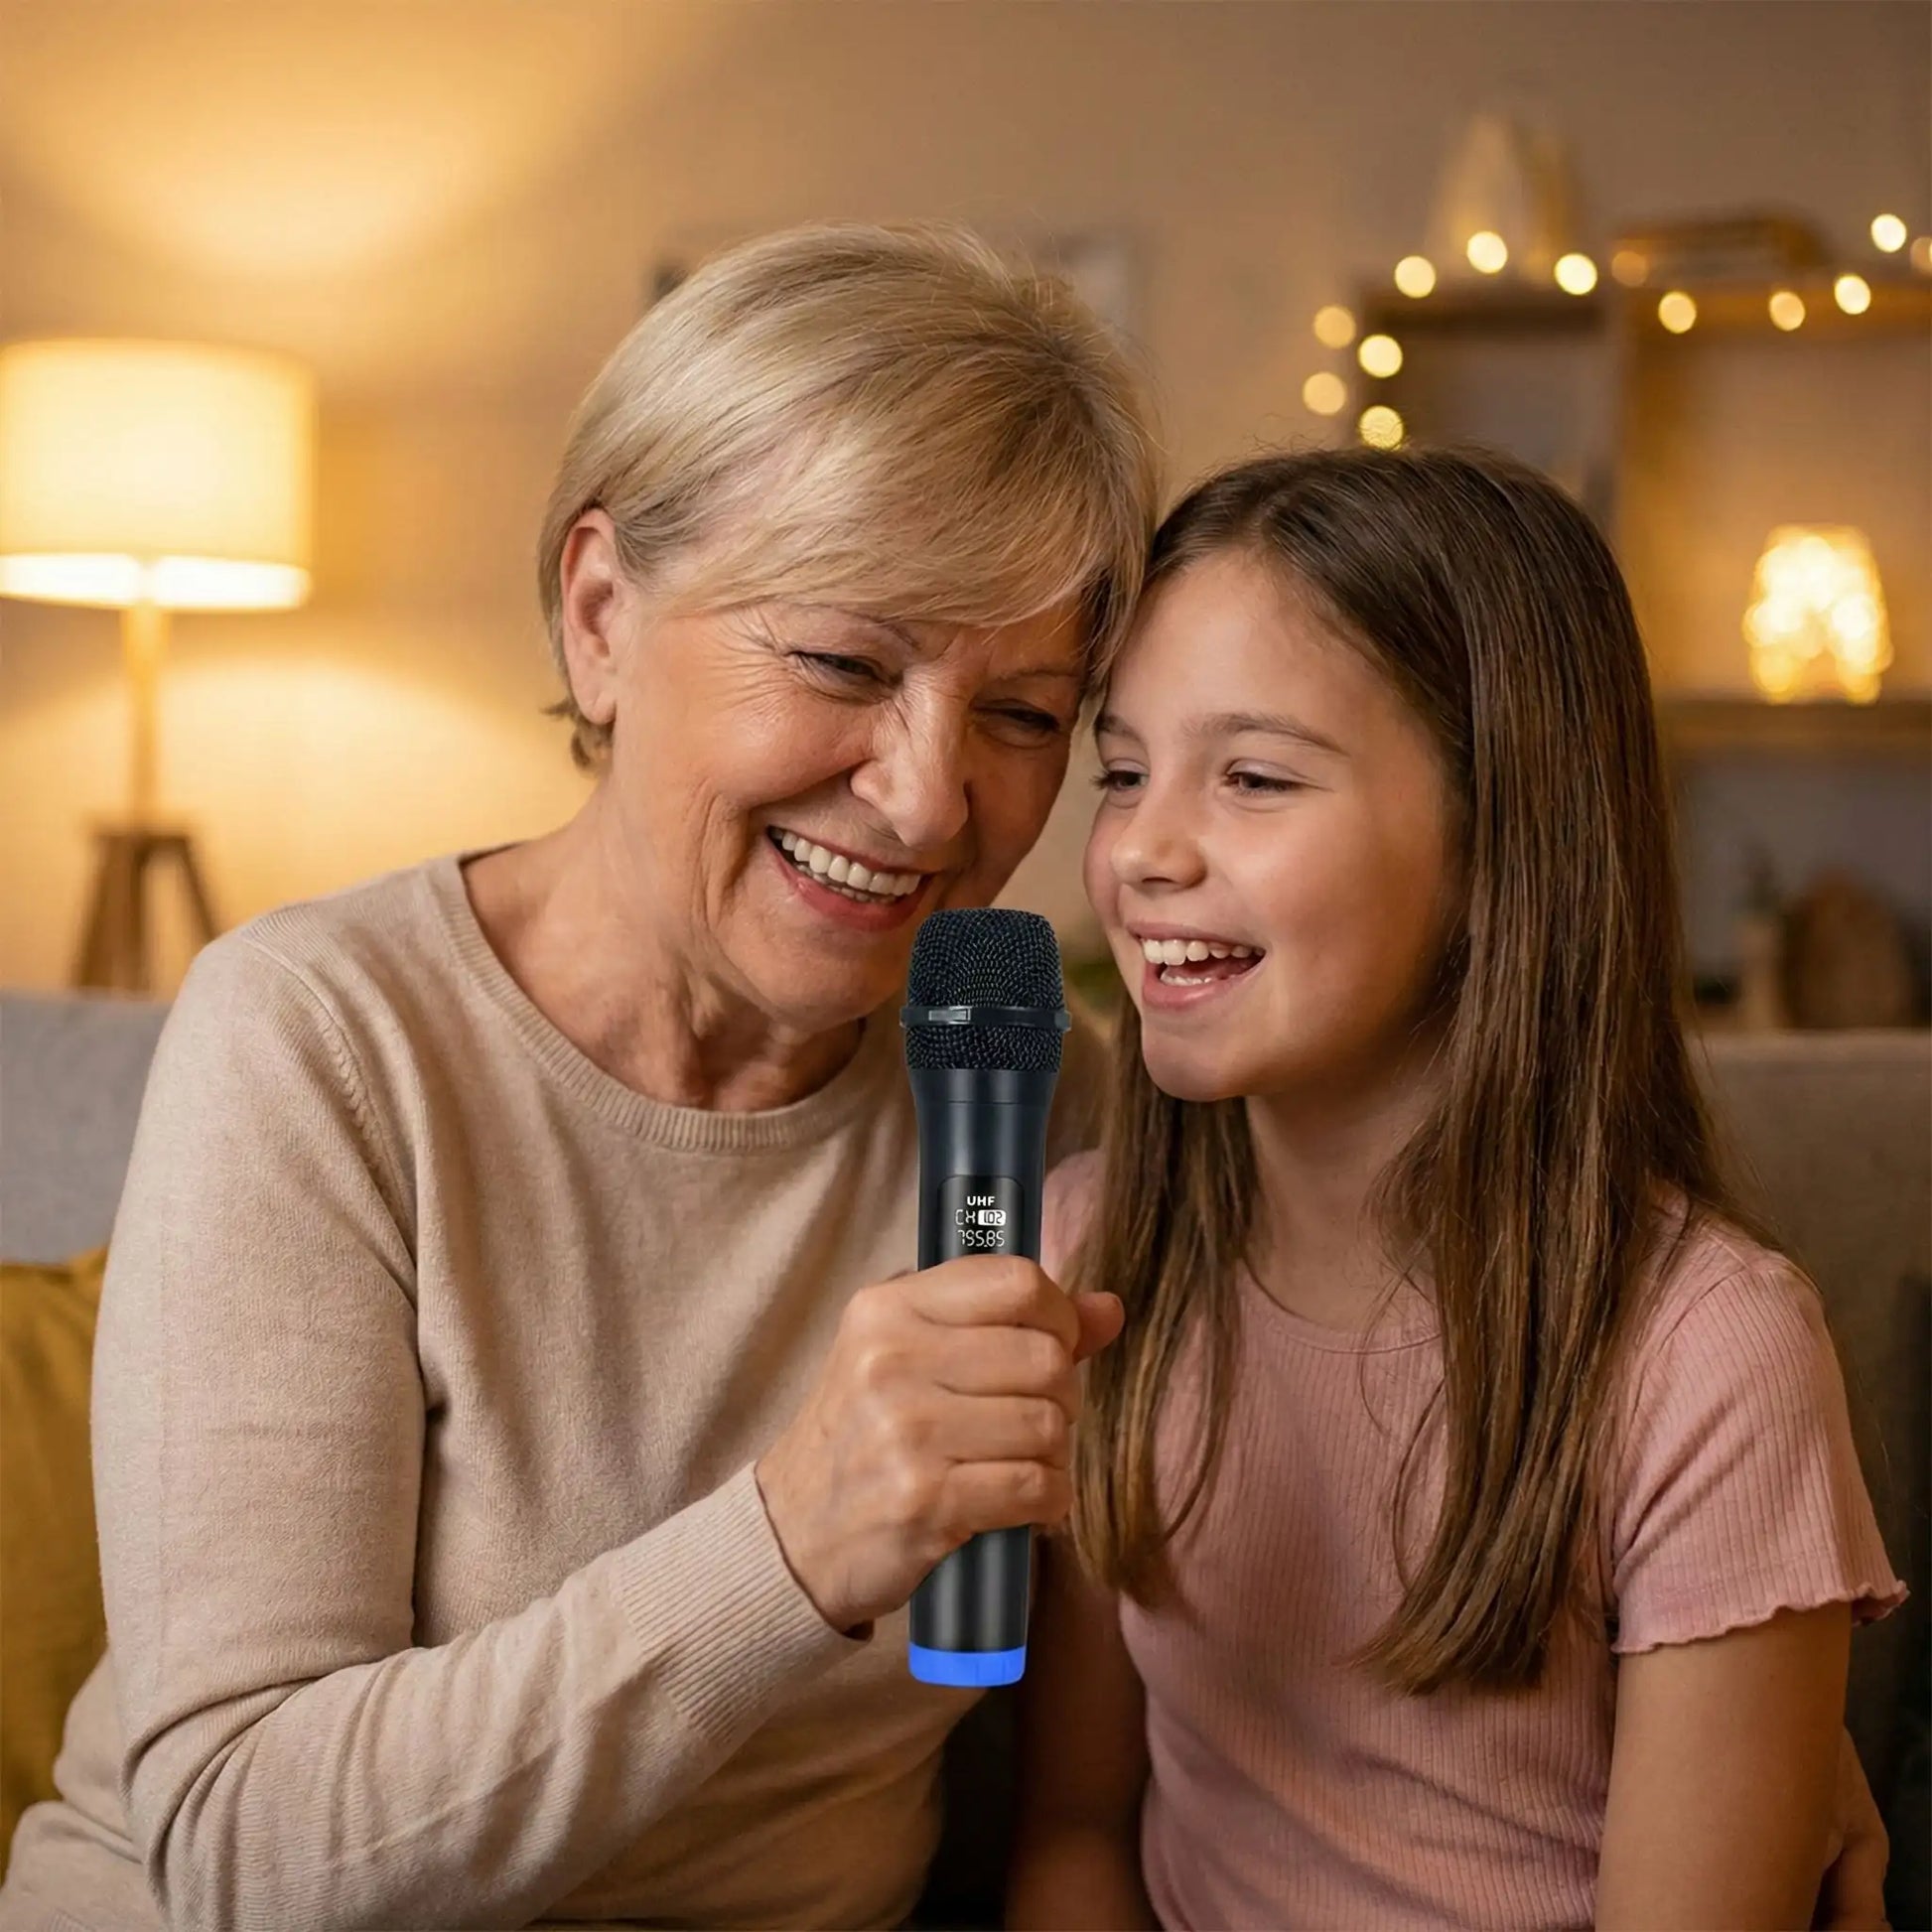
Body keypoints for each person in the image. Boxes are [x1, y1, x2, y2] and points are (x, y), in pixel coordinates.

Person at [0, 222, 1153, 1932]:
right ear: (602, 614)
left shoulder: (1035, 1102)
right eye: (843, 661)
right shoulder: (321, 1038)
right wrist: (781, 1543)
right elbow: (239, 1848)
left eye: (1024, 712)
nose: (926, 802)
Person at [1009, 448, 1906, 1931]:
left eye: (1250, 776)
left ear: (1502, 837)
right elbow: (1070, 1838)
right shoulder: (1092, 1255)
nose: (1139, 851)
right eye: (1122, 770)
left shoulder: (1706, 1353)